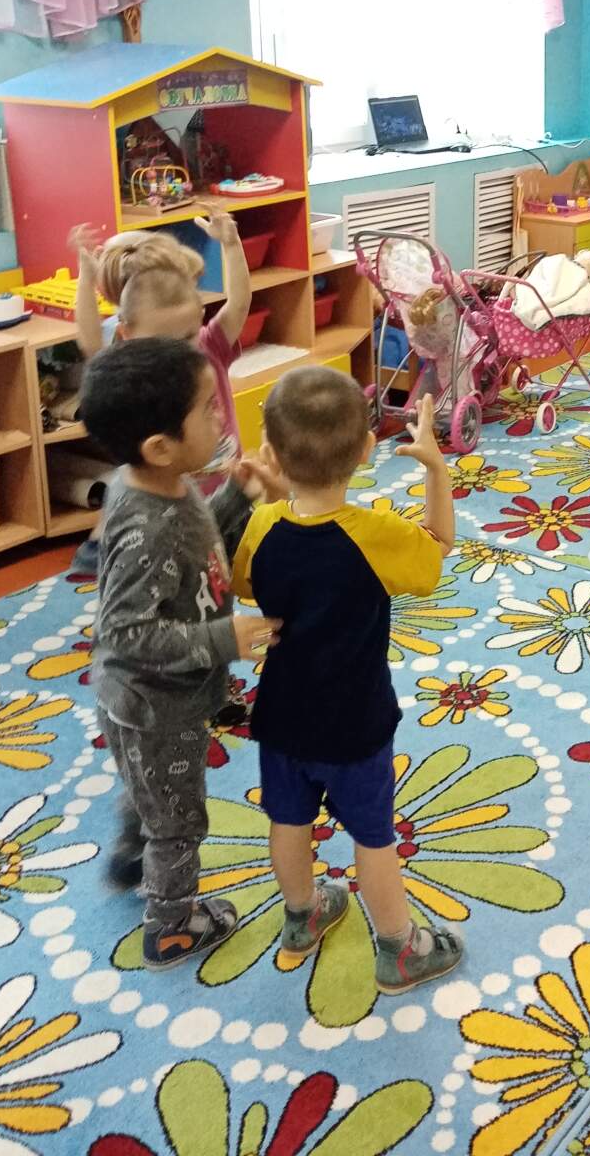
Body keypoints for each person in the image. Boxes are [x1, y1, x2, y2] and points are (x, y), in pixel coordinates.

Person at [232, 370, 465, 994]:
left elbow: (246, 583)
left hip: (281, 714)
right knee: (373, 837)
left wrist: (273, 499)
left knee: (287, 820)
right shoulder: (377, 535)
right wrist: (436, 470)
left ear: (272, 453)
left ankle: (301, 917)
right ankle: (399, 949)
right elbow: (439, 545)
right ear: (366, 450)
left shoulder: (261, 525)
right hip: (356, 722)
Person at [80, 338, 281, 969]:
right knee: (178, 820)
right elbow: (126, 632)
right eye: (207, 408)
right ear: (160, 446)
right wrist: (226, 638)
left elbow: (192, 549)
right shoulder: (148, 525)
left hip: (144, 700)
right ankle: (170, 927)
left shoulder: (160, 482)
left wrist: (235, 497)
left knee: (148, 789)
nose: (221, 414)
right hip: (155, 707)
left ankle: (130, 853)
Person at [66, 212, 251, 580]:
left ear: (200, 317)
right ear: (127, 334)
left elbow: (240, 304)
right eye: (164, 340)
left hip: (225, 494)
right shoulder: (133, 369)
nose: (180, 349)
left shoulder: (209, 347)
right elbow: (90, 341)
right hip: (162, 504)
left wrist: (231, 245)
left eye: (188, 334)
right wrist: (86, 277)